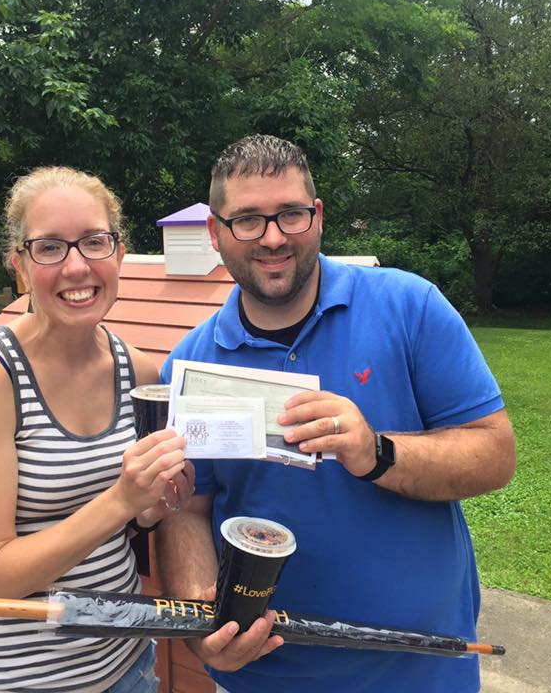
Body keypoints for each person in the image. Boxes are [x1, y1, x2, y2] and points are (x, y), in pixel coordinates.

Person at [155, 135, 516, 693]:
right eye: (247, 220)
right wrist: (205, 627)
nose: (273, 238)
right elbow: (187, 508)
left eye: (291, 215)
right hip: (267, 679)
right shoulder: (192, 363)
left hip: (421, 670)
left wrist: (378, 452)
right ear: (214, 233)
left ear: (317, 216)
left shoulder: (409, 306)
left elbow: (495, 455)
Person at [0, 166, 195, 692]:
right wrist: (123, 500)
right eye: (50, 248)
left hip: (124, 667)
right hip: (10, 680)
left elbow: (125, 530)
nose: (77, 266)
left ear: (119, 254)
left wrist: (149, 509)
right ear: (21, 268)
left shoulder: (140, 374)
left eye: (94, 242)